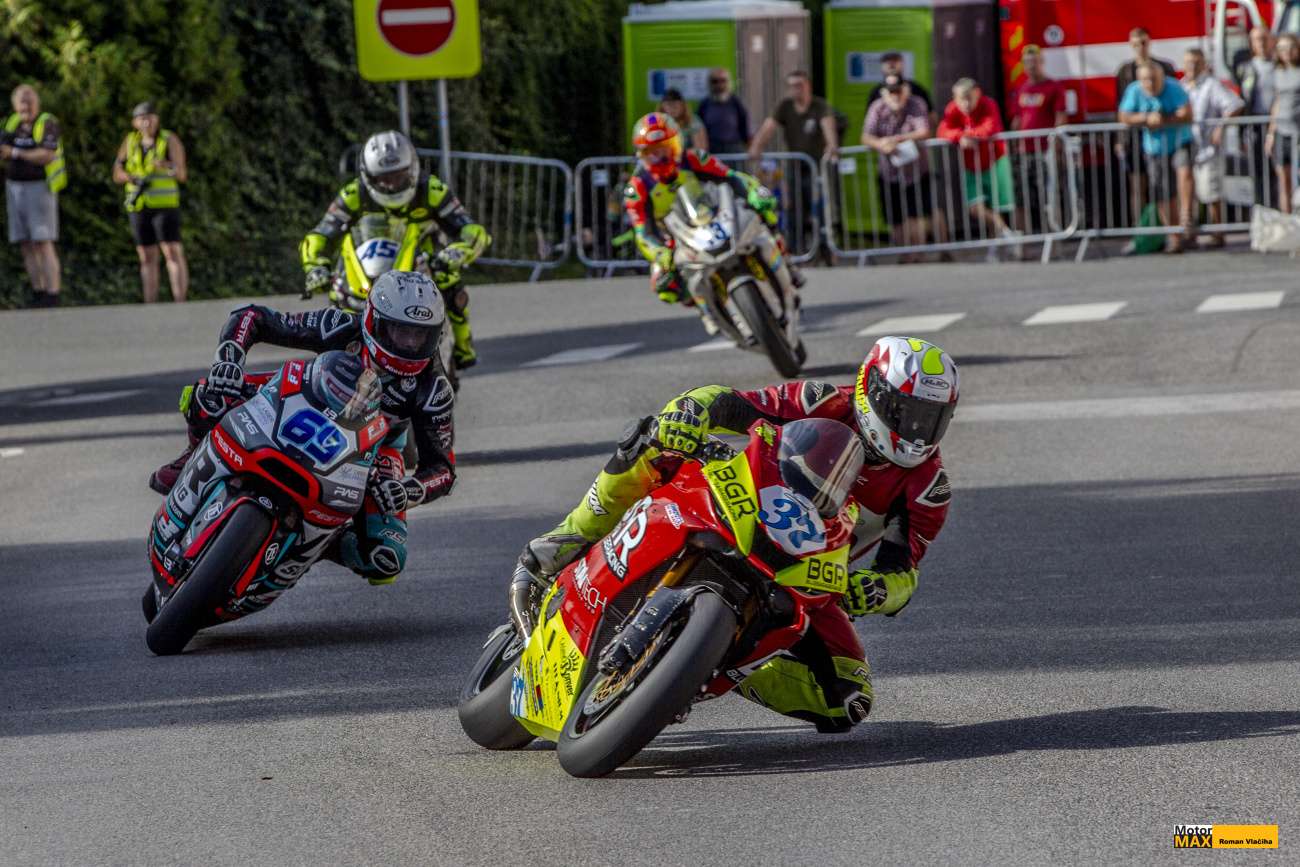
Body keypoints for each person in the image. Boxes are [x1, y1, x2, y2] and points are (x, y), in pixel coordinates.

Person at [509, 336, 960, 733]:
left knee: (848, 698)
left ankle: (702, 667)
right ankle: (567, 540)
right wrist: (690, 411)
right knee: (655, 439)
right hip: (742, 503)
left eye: (931, 419)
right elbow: (732, 402)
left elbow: (904, 570)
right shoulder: (822, 401)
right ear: (872, 391)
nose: (917, 430)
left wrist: (879, 590)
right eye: (907, 413)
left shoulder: (927, 488)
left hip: (806, 571)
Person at [149, 271, 456, 585]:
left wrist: (408, 490)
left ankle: (321, 542)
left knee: (385, 558)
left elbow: (443, 469)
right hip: (301, 400)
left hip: (375, 447)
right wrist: (229, 359)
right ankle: (194, 454)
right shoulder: (338, 326)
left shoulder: (434, 389)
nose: (409, 343)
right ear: (373, 320)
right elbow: (252, 317)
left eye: (421, 335)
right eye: (400, 331)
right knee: (209, 395)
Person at [300, 130, 490, 370]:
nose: (391, 184)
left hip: (423, 261)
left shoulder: (432, 190)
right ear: (368, 176)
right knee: (337, 294)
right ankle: (330, 360)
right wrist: (315, 266)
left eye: (398, 176)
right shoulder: (354, 194)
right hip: (367, 264)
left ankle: (463, 348)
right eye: (383, 178)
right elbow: (320, 234)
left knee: (449, 280)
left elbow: (472, 230)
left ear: (412, 169)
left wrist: (458, 251)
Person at [624, 112, 802, 310]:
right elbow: (642, 232)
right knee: (664, 285)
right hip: (673, 237)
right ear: (642, 156)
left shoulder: (694, 159)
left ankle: (786, 262)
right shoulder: (637, 187)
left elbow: (732, 177)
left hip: (710, 215)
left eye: (666, 149)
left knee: (764, 212)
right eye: (653, 153)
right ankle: (706, 308)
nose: (662, 158)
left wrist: (754, 192)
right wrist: (660, 253)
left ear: (678, 144)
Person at [749, 71, 840, 261]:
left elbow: (828, 125)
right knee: (794, 208)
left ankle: (825, 249)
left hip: (817, 167)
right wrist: (756, 147)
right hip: (796, 166)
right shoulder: (785, 106)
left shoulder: (819, 105)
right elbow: (768, 127)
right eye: (792, 86)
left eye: (800, 85)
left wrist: (832, 145)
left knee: (821, 209)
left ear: (808, 86)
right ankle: (796, 251)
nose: (796, 89)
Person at [112, 102, 189, 303]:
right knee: (146, 255)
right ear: (135, 122)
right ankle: (150, 303)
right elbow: (117, 173)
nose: (146, 122)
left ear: (157, 119)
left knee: (171, 251)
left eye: (150, 117)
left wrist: (166, 166)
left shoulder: (168, 139)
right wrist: (130, 178)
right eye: (142, 118)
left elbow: (181, 173)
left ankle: (180, 301)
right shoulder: (130, 141)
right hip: (139, 205)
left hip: (165, 205)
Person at [937, 78, 1020, 256]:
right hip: (971, 165)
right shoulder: (952, 109)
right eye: (961, 99)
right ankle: (1008, 234)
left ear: (977, 94)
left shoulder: (988, 104)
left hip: (994, 160)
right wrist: (960, 137)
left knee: (998, 207)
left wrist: (968, 135)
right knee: (975, 208)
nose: (966, 104)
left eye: (969, 98)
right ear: (955, 98)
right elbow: (943, 131)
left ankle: (995, 249)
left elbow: (990, 128)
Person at [1119, 61, 1195, 252]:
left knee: (1184, 172)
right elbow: (1124, 116)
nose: (1150, 84)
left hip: (1180, 141)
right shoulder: (1134, 90)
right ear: (1140, 80)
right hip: (1154, 148)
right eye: (1146, 80)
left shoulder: (1174, 87)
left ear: (1162, 78)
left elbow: (1187, 113)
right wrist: (1146, 118)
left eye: (1154, 79)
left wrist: (1164, 119)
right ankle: (1174, 236)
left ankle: (1186, 215)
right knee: (1162, 192)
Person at [1, 84, 64, 307]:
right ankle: (38, 291)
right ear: (15, 105)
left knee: (43, 241)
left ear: (37, 103)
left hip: (39, 188)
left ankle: (52, 293)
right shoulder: (12, 124)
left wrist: (16, 153)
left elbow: (47, 154)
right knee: (25, 243)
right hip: (15, 188)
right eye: (22, 102)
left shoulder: (46, 122)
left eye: (29, 102)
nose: (26, 107)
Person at [861, 75, 933, 260]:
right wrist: (881, 144)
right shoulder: (877, 107)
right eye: (890, 92)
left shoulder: (916, 104)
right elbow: (866, 137)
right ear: (884, 93)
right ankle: (903, 255)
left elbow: (924, 131)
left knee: (916, 214)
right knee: (895, 218)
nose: (895, 95)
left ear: (905, 90)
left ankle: (918, 255)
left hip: (916, 171)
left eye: (898, 91)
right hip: (889, 172)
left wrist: (896, 140)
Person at [1115, 28, 1179, 227]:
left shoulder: (1164, 67)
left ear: (1149, 42)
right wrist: (1120, 138)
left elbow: (1174, 99)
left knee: (1165, 186)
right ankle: (1141, 230)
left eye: (1143, 43)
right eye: (1135, 44)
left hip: (1163, 136)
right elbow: (1120, 107)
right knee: (1138, 185)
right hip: (1134, 136)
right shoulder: (1125, 71)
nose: (1140, 47)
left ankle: (1171, 229)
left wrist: (1162, 118)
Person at [1182, 48, 1244, 247]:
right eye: (1189, 62)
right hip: (1187, 148)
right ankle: (1189, 234)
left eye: (1196, 62)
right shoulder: (1182, 86)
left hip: (1208, 149)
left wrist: (1220, 127)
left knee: (1211, 192)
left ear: (1204, 64)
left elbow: (1234, 104)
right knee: (1189, 194)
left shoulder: (1211, 84)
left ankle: (1218, 233)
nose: (1192, 66)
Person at [1008, 45, 1067, 236]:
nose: (1031, 67)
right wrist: (1013, 144)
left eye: (1034, 63)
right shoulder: (1021, 89)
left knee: (1048, 196)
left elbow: (1060, 118)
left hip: (1045, 151)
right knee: (1021, 198)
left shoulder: (1054, 87)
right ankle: (1022, 242)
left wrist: (1056, 147)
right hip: (1023, 152)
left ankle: (1054, 238)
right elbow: (1017, 119)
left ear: (1042, 62)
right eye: (1027, 63)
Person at [1267, 34, 1300, 214]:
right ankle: (1287, 221)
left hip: (1298, 133)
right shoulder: (1277, 73)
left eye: (1289, 47)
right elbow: (1277, 102)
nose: (1286, 52)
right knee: (1284, 180)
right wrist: (1271, 134)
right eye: (1281, 48)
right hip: (1281, 132)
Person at [696, 68, 751, 156]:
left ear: (728, 83)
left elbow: (744, 126)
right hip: (712, 150)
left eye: (723, 81)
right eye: (715, 81)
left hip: (734, 149)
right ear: (710, 84)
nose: (719, 85)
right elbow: (698, 127)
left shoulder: (736, 103)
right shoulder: (704, 104)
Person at [867, 52, 933, 116]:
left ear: (902, 64)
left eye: (895, 60)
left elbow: (931, 114)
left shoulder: (916, 89)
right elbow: (870, 118)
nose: (891, 64)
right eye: (887, 61)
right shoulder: (876, 92)